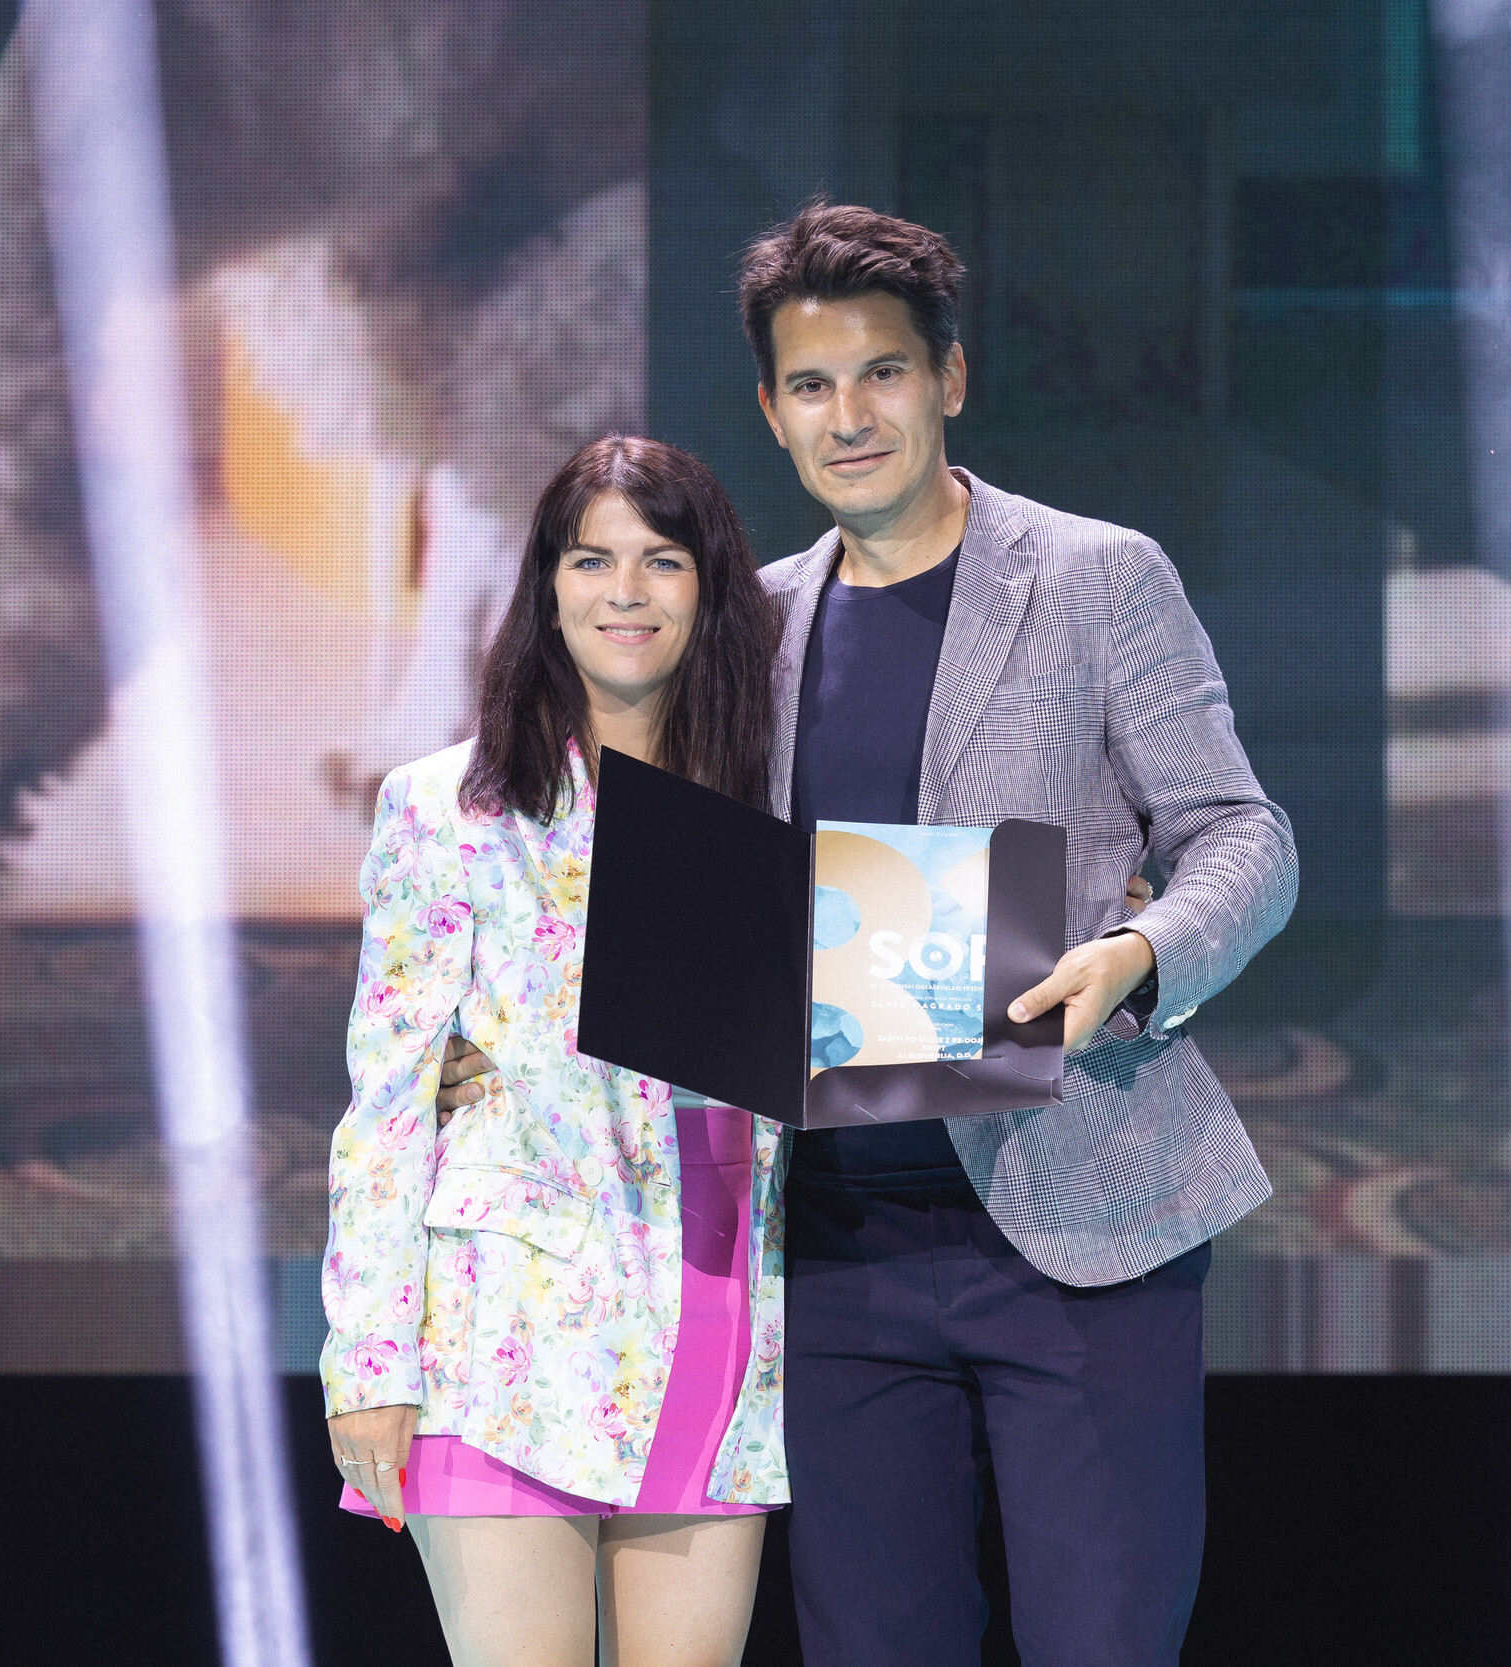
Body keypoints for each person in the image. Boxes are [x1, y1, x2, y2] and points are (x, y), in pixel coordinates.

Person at [443, 203, 1297, 1665]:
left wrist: (1142, 954)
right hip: (832, 1251)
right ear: (772, 412)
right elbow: (658, 882)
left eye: (883, 374)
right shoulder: (753, 624)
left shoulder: (1097, 576)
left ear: (948, 378)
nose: (851, 416)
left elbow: (1243, 833)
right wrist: (505, 1039)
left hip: (1076, 1214)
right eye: (813, 386)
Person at [320, 435, 790, 1667]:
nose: (625, 591)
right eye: (591, 559)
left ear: (710, 586)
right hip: (504, 1335)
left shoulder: (767, 807)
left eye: (661, 559)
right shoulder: (447, 808)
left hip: (714, 1313)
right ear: (545, 585)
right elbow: (387, 1104)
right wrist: (368, 1359)